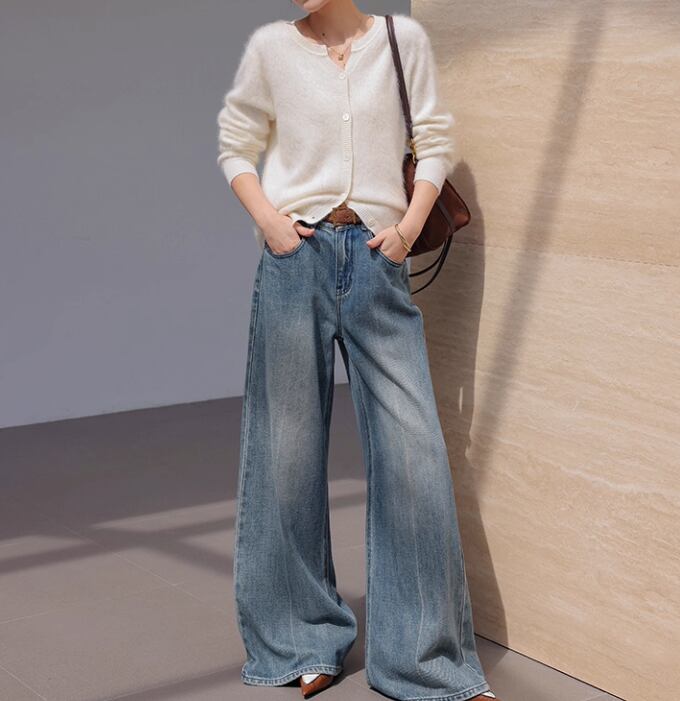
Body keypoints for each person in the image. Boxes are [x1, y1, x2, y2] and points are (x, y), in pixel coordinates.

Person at [217, 2, 499, 699]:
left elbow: (433, 141)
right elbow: (234, 146)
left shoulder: (402, 39)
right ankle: (300, 640)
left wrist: (406, 229)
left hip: (378, 261)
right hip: (296, 262)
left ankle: (425, 662)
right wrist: (271, 224)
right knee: (285, 455)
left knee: (414, 457)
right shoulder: (272, 48)